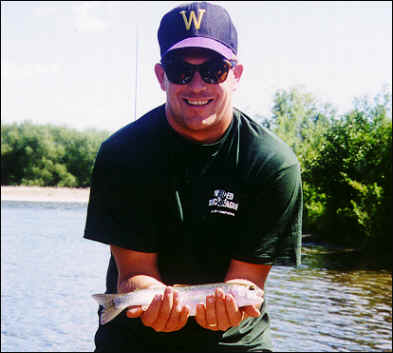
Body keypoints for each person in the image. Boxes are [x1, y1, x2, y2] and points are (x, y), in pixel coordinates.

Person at [84, 2, 302, 352]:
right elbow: (134, 271)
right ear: (161, 76)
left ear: (236, 74)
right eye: (181, 70)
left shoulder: (273, 164)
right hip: (134, 341)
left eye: (214, 69)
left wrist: (231, 311)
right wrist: (146, 297)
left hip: (236, 344)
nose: (197, 85)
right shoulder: (122, 155)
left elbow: (248, 286)